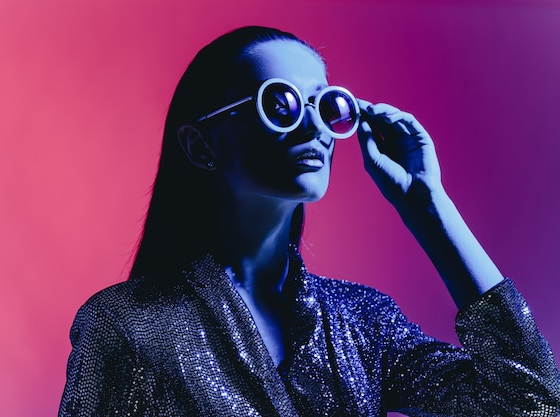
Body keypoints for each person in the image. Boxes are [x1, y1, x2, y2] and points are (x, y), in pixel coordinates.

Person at [59, 26, 560, 416]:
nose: (312, 126)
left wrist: (430, 209)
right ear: (201, 144)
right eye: (280, 103)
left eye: (325, 105)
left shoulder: (362, 321)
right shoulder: (125, 324)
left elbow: (531, 404)